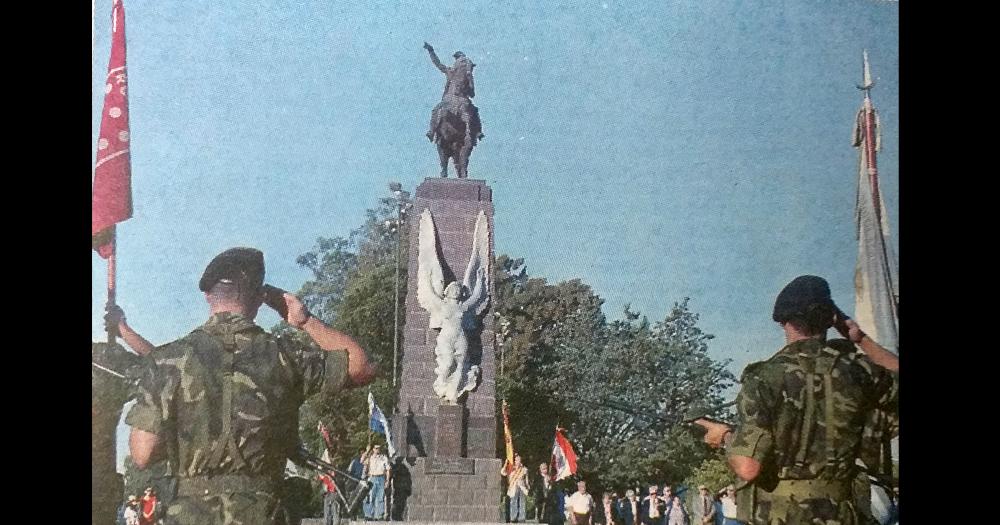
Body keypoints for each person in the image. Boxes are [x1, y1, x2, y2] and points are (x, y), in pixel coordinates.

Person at [125, 247, 377, 525]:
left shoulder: (165, 361)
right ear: (261, 297)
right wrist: (304, 320)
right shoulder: (285, 356)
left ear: (208, 295)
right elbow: (361, 367)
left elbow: (142, 454)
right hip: (263, 513)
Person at [695, 275, 899, 525]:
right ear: (830, 319)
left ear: (783, 321)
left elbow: (748, 467)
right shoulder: (859, 371)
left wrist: (725, 436)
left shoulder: (764, 377)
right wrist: (858, 337)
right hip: (845, 515)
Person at [423, 41, 484, 142]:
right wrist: (431, 52)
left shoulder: (451, 72)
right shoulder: (452, 72)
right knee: (474, 111)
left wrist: (431, 51)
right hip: (459, 99)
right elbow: (472, 93)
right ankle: (478, 131)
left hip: (450, 99)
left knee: (436, 110)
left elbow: (438, 64)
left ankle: (432, 131)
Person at [364, 443, 392, 520]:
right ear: (373, 449)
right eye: (376, 448)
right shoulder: (370, 457)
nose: (378, 450)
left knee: (380, 497)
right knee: (371, 497)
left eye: (379, 448)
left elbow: (388, 469)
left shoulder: (384, 457)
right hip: (372, 478)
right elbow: (361, 460)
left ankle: (379, 515)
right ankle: (369, 515)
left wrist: (387, 481)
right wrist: (367, 451)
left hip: (381, 478)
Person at [500, 454, 531, 522]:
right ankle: (513, 518)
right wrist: (505, 463)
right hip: (513, 487)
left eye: (519, 459)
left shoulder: (524, 469)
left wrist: (528, 486)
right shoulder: (511, 469)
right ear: (514, 461)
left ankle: (521, 518)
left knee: (522, 502)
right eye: (517, 460)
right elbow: (502, 472)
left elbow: (526, 480)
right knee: (513, 502)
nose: (518, 461)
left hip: (522, 487)